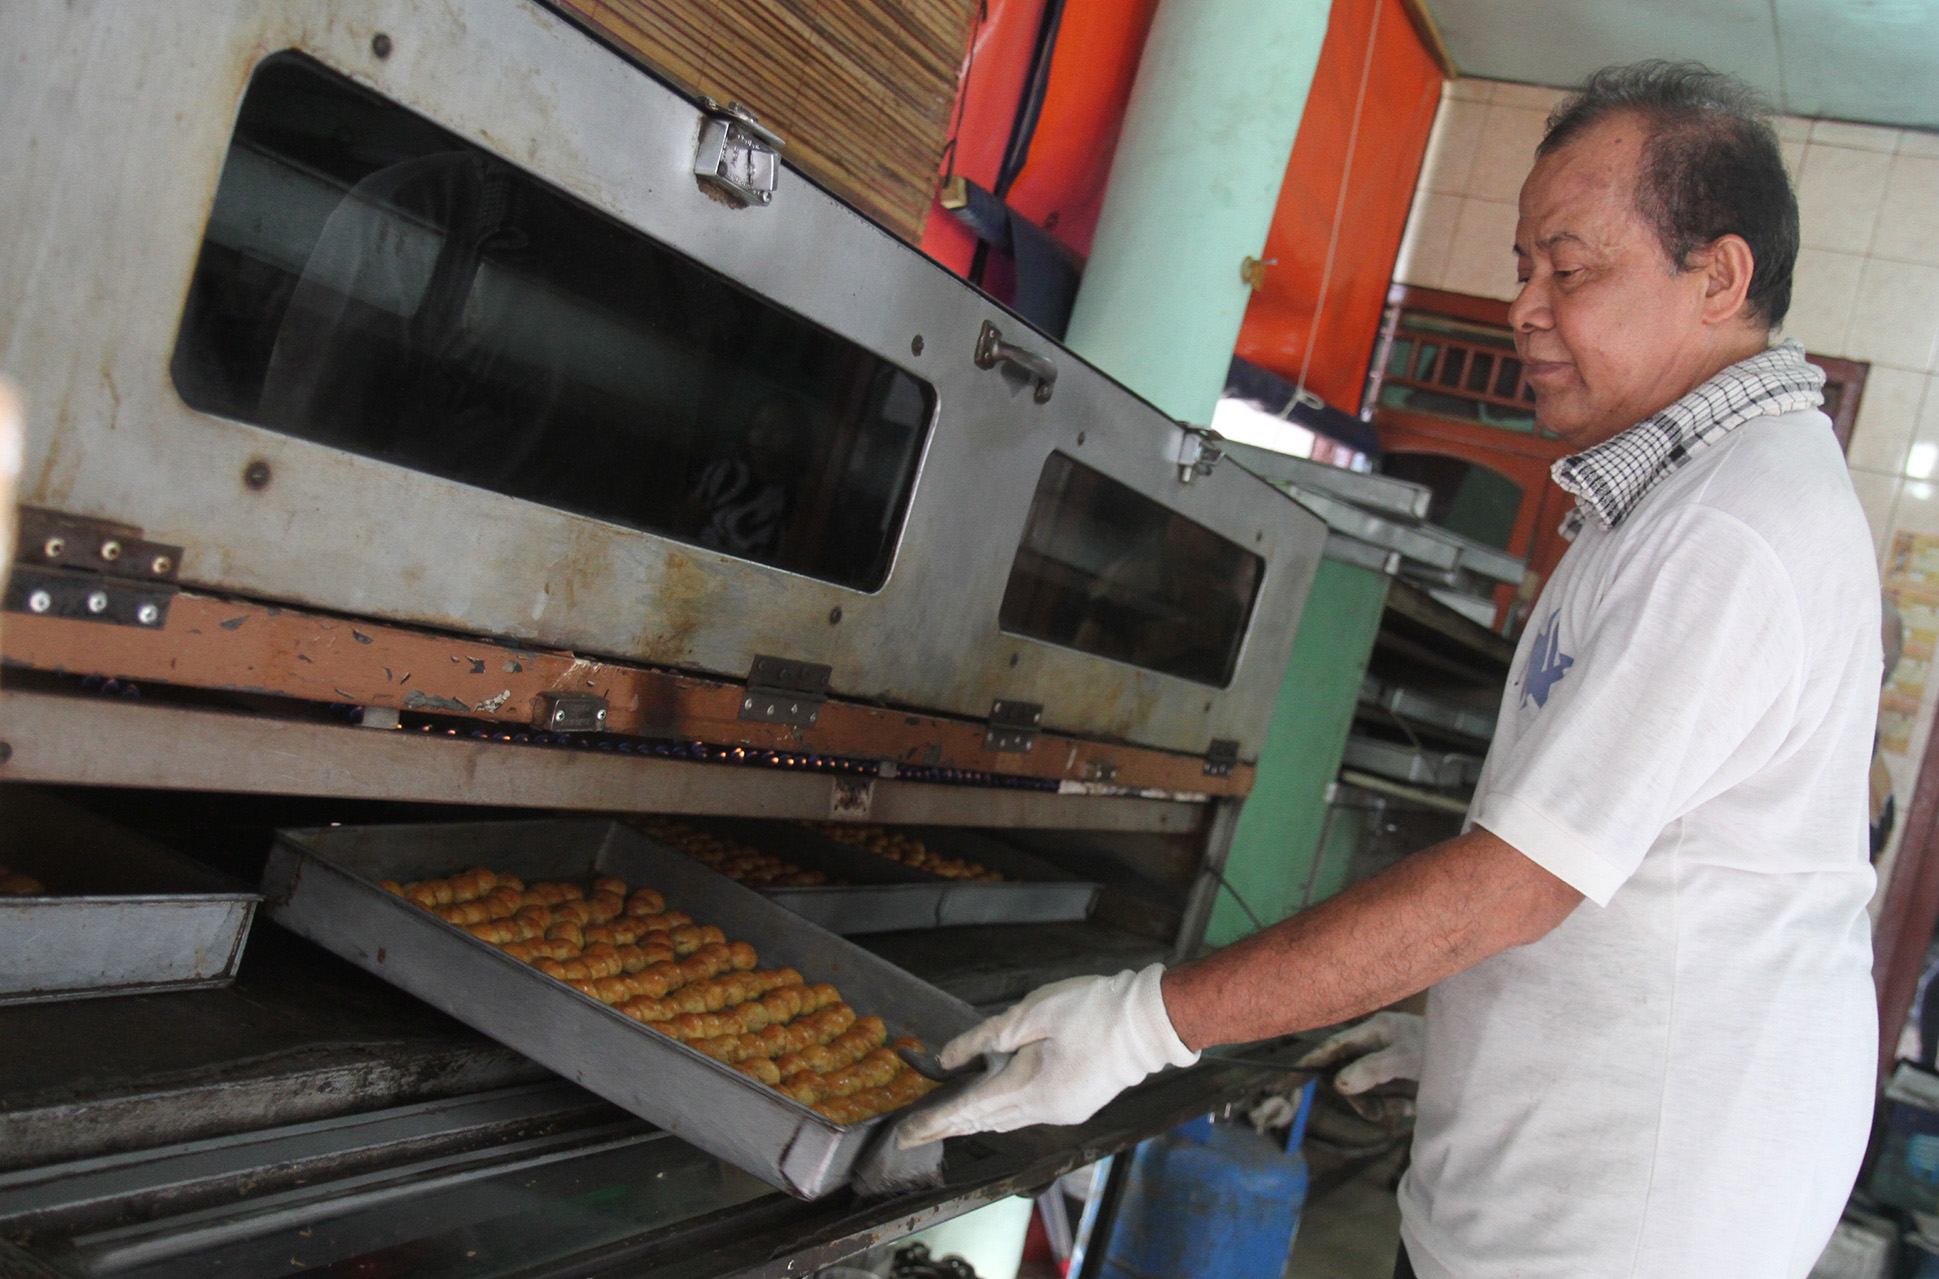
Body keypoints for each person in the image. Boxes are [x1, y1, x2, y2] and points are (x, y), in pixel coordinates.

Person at [901, 62, 1881, 1279]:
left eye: (1567, 269)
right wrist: (1479, 1028)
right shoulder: (1668, 498)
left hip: (1619, 1234)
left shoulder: (1729, 530)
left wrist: (1145, 1022)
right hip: (1563, 1171)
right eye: (1524, 267)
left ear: (1717, 277)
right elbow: (1638, 867)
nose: (1523, 305)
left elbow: (1514, 884)